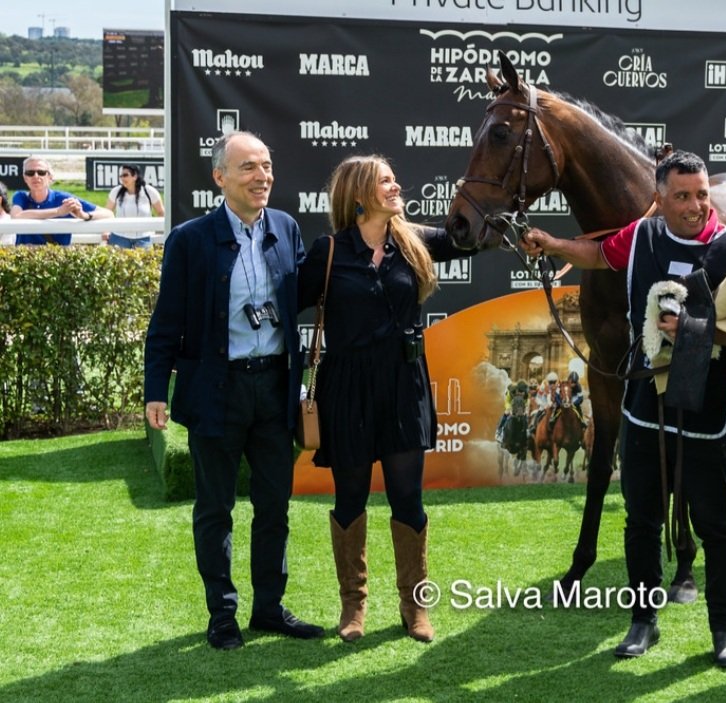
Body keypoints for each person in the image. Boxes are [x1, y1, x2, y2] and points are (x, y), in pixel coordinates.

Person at [523, 150, 726, 668]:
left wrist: (696, 329)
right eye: (682, 196)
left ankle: (723, 629)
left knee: (717, 522)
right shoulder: (643, 237)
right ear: (661, 198)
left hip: (712, 406)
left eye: (701, 195)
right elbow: (597, 254)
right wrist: (553, 243)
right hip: (646, 404)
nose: (696, 206)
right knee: (641, 516)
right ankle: (642, 620)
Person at [144, 131, 322, 650]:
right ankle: (222, 614)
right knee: (215, 508)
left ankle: (269, 609)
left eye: (267, 166)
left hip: (274, 388)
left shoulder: (286, 228)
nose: (262, 176)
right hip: (215, 393)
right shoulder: (190, 240)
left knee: (274, 505)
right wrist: (157, 388)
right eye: (248, 167)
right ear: (220, 177)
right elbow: (165, 323)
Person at [298, 154, 472, 644]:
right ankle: (353, 606)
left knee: (407, 497)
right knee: (350, 497)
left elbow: (474, 239)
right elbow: (286, 298)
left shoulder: (416, 240)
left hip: (404, 382)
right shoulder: (328, 251)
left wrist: (527, 232)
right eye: (385, 182)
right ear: (359, 195)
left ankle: (415, 608)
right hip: (347, 387)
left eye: (396, 179)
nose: (396, 187)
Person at [11, 156, 113, 245]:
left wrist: (84, 215)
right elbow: (16, 216)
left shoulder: (64, 199)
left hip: (56, 261)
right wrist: (58, 211)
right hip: (24, 259)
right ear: (25, 178)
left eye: (41, 172)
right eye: (30, 173)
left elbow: (108, 214)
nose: (36, 176)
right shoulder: (21, 196)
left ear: (50, 177)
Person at [105, 164, 165, 248]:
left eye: (125, 175)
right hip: (119, 237)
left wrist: (159, 233)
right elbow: (107, 212)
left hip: (144, 238)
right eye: (121, 176)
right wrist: (105, 231)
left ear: (135, 176)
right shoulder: (116, 192)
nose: (122, 178)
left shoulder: (149, 191)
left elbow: (161, 212)